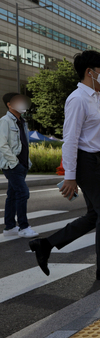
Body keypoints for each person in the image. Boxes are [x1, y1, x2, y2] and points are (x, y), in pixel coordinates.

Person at [29, 51, 100, 281]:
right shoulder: (78, 98)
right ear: (90, 72)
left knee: (94, 214)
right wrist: (70, 176)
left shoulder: (95, 97)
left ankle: (45, 245)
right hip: (87, 163)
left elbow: (88, 133)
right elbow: (70, 139)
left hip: (97, 160)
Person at [0, 92, 37, 238]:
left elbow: (24, 144)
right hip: (12, 165)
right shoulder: (5, 121)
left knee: (13, 194)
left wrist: (26, 163)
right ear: (10, 105)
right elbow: (2, 144)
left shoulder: (22, 121)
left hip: (22, 165)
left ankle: (9, 227)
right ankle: (23, 226)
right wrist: (14, 163)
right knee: (23, 193)